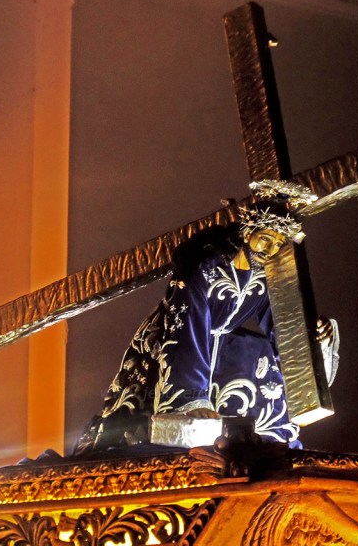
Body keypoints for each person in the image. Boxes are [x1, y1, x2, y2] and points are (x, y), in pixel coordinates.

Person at [74, 180, 332, 454]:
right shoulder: (205, 266)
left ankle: (267, 432)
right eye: (265, 239)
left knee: (257, 350)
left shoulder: (264, 277)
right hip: (179, 333)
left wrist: (313, 337)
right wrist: (192, 398)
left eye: (278, 244)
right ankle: (186, 411)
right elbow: (189, 321)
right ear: (248, 232)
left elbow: (281, 325)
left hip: (222, 343)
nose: (269, 251)